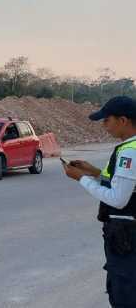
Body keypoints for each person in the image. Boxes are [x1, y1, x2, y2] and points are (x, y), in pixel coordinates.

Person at [63, 96, 136, 307]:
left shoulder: (129, 151)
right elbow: (123, 183)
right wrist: (93, 171)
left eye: (106, 120)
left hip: (126, 233)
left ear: (123, 121)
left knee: (125, 294)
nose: (104, 126)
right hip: (127, 231)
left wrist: (81, 178)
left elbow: (118, 199)